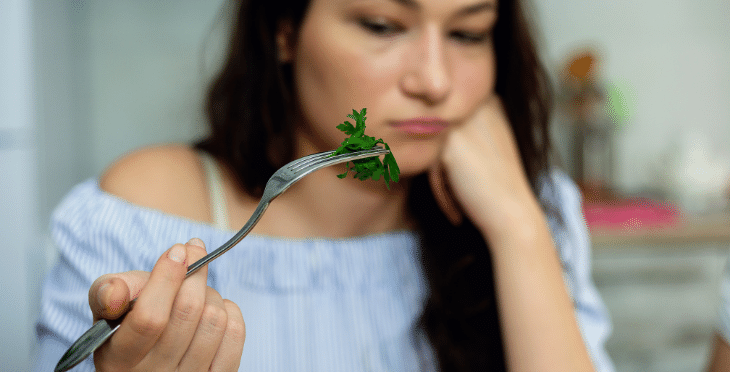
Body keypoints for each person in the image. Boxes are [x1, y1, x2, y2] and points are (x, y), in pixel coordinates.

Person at [33, 0, 615, 371]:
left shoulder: (531, 206)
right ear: (284, 31)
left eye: (468, 33)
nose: (435, 82)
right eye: (383, 26)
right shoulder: (144, 212)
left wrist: (517, 228)